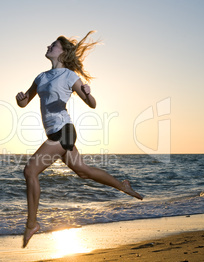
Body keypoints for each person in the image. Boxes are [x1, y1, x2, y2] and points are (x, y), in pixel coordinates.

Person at [15, 31, 143, 248]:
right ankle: (123, 186)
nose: (48, 46)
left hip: (64, 131)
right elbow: (24, 102)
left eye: (53, 45)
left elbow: (92, 104)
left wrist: (87, 92)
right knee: (84, 171)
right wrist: (20, 99)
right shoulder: (41, 77)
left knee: (30, 171)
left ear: (63, 52)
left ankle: (32, 224)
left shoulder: (70, 76)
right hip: (54, 132)